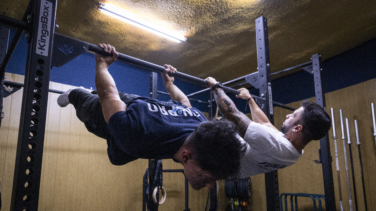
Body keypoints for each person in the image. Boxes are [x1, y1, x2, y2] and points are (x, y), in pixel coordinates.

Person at [57, 44, 245, 190]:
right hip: (115, 115)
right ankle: (77, 93)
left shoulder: (202, 127)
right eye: (209, 178)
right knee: (86, 108)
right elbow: (108, 94)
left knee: (118, 156)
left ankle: (92, 97)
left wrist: (169, 84)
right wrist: (102, 64)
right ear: (186, 156)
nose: (211, 186)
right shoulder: (136, 136)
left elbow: (185, 103)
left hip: (142, 111)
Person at [205, 77, 331, 178]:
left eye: (293, 115)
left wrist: (215, 87)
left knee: (193, 115)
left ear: (297, 128)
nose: (287, 115)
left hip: (214, 160)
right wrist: (250, 99)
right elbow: (266, 124)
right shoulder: (294, 152)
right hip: (225, 165)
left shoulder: (273, 144)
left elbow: (232, 114)